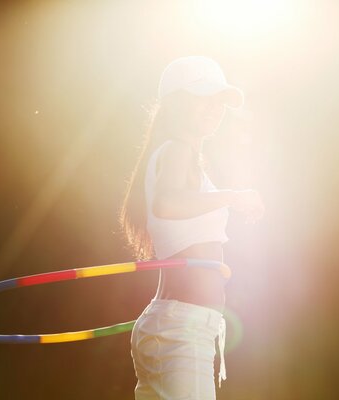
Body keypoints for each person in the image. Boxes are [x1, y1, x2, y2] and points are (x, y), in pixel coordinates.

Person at [120, 56, 264, 400]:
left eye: (219, 101)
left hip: (162, 324)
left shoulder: (170, 153)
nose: (214, 108)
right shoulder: (177, 150)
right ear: (176, 102)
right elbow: (167, 204)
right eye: (203, 97)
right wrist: (232, 196)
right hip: (183, 329)